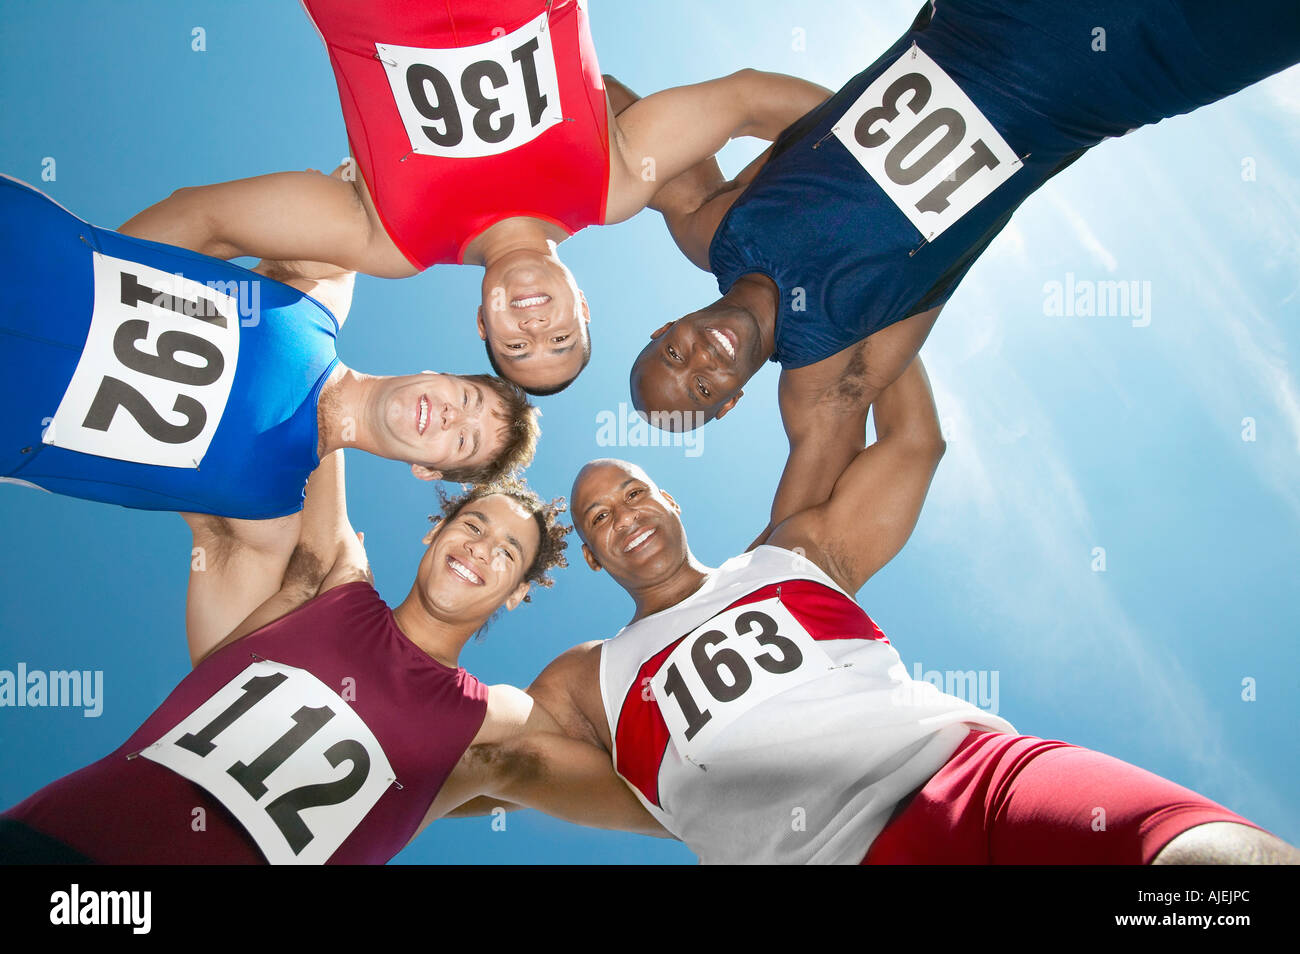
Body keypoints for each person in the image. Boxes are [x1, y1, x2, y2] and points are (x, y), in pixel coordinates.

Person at [503, 359, 1297, 864]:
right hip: (818, 858)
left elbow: (915, 443)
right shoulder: (589, 677)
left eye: (634, 491)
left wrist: (877, 310)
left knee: (1208, 859)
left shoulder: (788, 556)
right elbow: (480, 756)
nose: (624, 513)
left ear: (670, 500)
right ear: (597, 560)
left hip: (974, 777)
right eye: (600, 517)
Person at [630, 0, 1300, 532]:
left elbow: (612, 118)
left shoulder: (712, 226)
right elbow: (791, 553)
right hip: (1132, 65)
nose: (702, 365)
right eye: (703, 392)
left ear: (665, 328)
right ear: (731, 401)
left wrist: (841, 116)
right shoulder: (827, 379)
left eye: (673, 359)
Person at [120, 0, 831, 394]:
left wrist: (95, 300)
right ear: (583, 305)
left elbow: (203, 219)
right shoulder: (612, 187)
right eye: (561, 337)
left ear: (483, 326)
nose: (534, 325)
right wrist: (869, 165)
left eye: (519, 346)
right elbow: (748, 100)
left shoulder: (393, 243)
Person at [0, 452, 663, 863]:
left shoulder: (490, 720)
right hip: (48, 842)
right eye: (473, 525)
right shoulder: (337, 581)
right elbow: (329, 412)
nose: (481, 549)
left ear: (516, 593)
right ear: (436, 532)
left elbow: (662, 797)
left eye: (508, 552)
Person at [1, 173, 539, 531]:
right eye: (466, 397)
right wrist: (95, 277)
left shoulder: (270, 514)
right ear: (436, 372)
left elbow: (239, 658)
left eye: (463, 439)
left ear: (428, 470)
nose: (450, 415)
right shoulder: (319, 285)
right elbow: (204, 217)